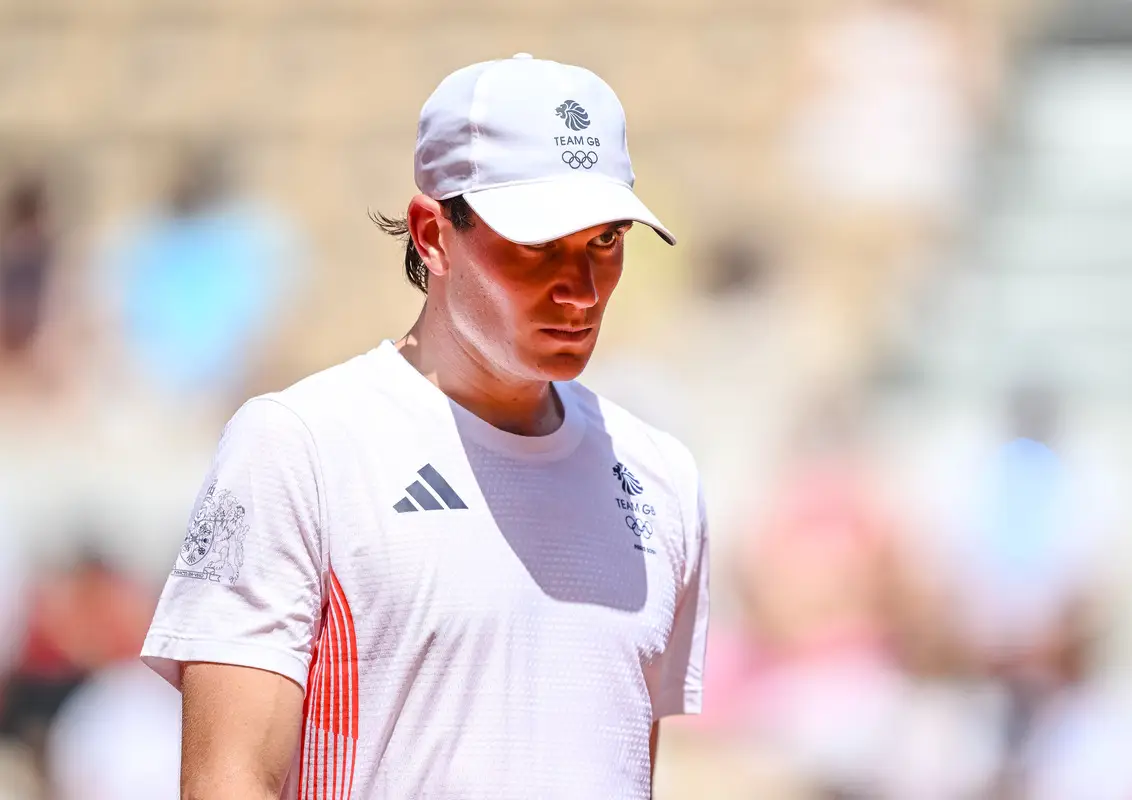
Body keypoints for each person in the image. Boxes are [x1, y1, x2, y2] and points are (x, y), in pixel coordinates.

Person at [141, 54, 709, 800]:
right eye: (539, 245)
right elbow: (229, 779)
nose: (580, 286)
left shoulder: (661, 477)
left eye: (606, 240)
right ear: (433, 235)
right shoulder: (301, 445)